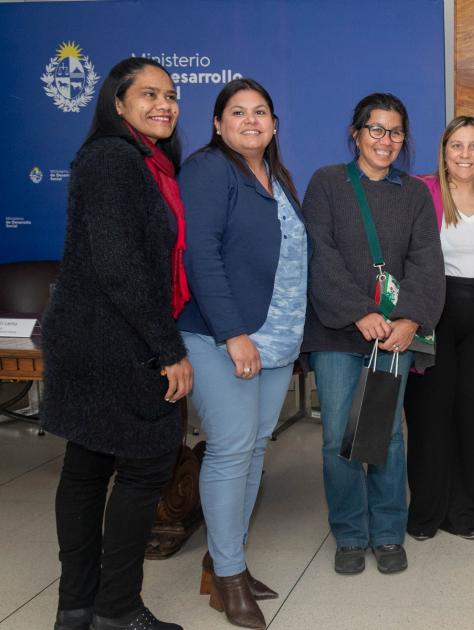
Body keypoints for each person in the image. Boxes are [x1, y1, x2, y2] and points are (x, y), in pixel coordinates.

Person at [41, 57, 192, 630]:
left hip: (95, 334)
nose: (165, 104)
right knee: (145, 466)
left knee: (85, 466)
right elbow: (119, 266)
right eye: (149, 94)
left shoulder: (145, 161)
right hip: (110, 341)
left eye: (171, 95)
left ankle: (76, 608)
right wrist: (168, 349)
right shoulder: (112, 159)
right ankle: (117, 610)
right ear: (118, 103)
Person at [176, 79, 304, 629]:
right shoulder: (209, 170)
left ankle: (223, 561)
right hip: (223, 336)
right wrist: (232, 334)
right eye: (237, 112)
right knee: (231, 448)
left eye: (261, 113)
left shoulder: (275, 177)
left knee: (252, 449)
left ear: (274, 124)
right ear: (217, 123)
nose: (251, 120)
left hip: (276, 337)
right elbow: (199, 254)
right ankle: (228, 577)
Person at [301, 93, 445, 575]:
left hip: (395, 334)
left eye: (396, 132)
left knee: (386, 435)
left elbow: (427, 261)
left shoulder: (415, 194)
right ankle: (349, 533)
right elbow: (319, 253)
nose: (386, 140)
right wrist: (358, 311)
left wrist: (409, 320)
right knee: (338, 436)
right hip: (338, 329)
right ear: (356, 133)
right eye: (376, 130)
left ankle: (386, 532)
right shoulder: (326, 183)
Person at [403, 116, 474, 540]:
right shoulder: (422, 191)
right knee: (430, 413)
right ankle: (426, 512)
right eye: (456, 146)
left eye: (473, 147)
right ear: (443, 152)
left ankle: (466, 512)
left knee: (472, 415)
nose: (465, 155)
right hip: (435, 310)